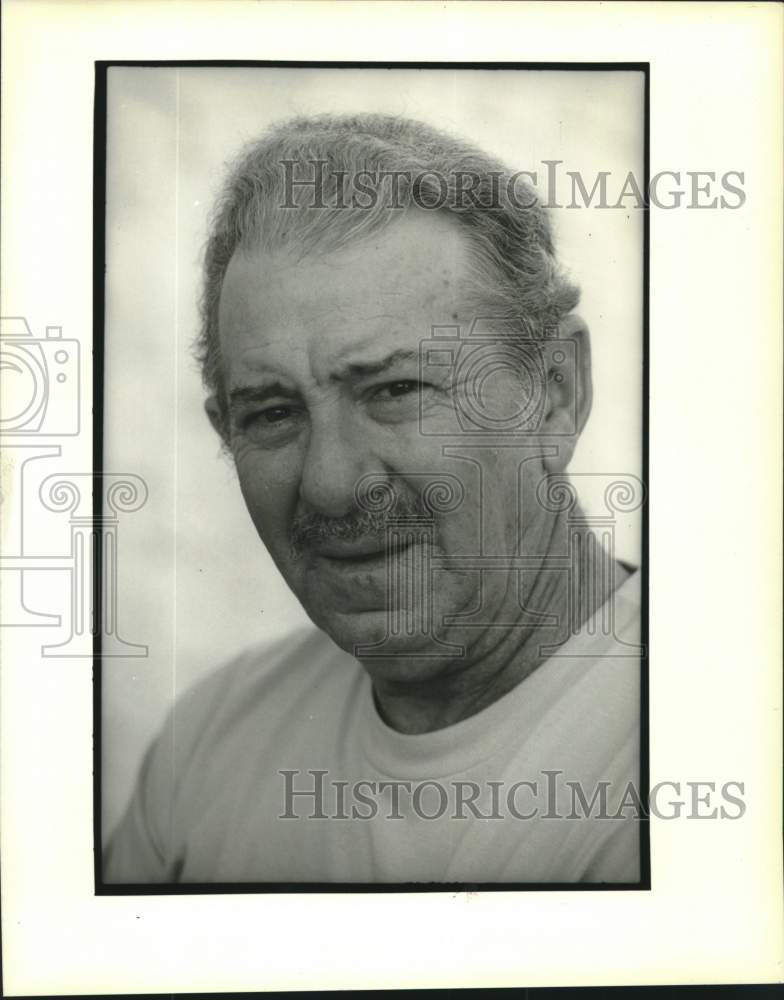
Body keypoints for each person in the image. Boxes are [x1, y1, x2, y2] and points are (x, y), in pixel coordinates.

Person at [104, 113, 643, 885]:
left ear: (554, 393)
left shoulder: (712, 736)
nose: (330, 482)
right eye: (273, 412)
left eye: (395, 390)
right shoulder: (208, 745)